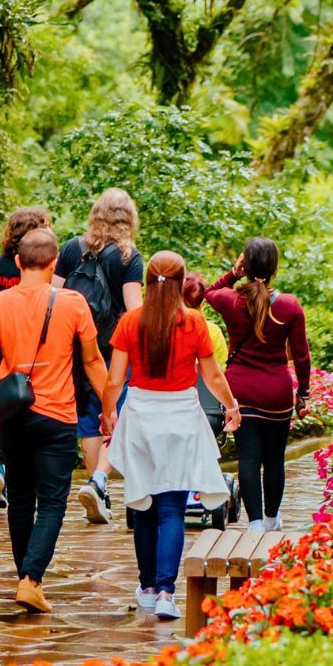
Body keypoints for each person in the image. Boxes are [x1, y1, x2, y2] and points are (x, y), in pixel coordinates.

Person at [0, 227, 107, 614]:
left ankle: (26, 576)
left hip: (15, 416)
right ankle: (31, 579)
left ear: (19, 262)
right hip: (57, 416)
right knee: (52, 502)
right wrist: (111, 407)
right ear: (55, 263)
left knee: (20, 499)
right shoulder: (73, 303)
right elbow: (91, 361)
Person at [104, 251, 241, 620]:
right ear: (181, 282)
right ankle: (166, 592)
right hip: (180, 417)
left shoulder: (130, 321)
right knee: (172, 509)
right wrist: (231, 406)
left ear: (148, 281)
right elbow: (212, 376)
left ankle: (147, 586)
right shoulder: (194, 322)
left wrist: (107, 414)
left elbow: (115, 379)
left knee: (143, 504)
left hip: (140, 417)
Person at [203, 237, 311, 532]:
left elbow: (206, 292)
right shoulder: (289, 306)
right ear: (275, 268)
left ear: (246, 265)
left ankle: (254, 524)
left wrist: (233, 274)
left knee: (248, 457)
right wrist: (303, 393)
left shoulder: (231, 300)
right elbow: (301, 355)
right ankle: (273, 518)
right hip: (276, 392)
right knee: (275, 458)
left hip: (242, 392)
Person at [54, 188, 143, 524]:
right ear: (128, 218)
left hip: (76, 345)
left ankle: (97, 494)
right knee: (117, 414)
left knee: (89, 420)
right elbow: (134, 310)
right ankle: (98, 481)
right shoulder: (127, 257)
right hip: (112, 349)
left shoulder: (72, 247)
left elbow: (55, 294)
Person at [0, 206, 53, 510]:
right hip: (39, 351)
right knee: (36, 412)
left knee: (10, 410)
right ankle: (26, 474)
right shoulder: (39, 267)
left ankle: (0, 464)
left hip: (6, 350)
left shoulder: (0, 264)